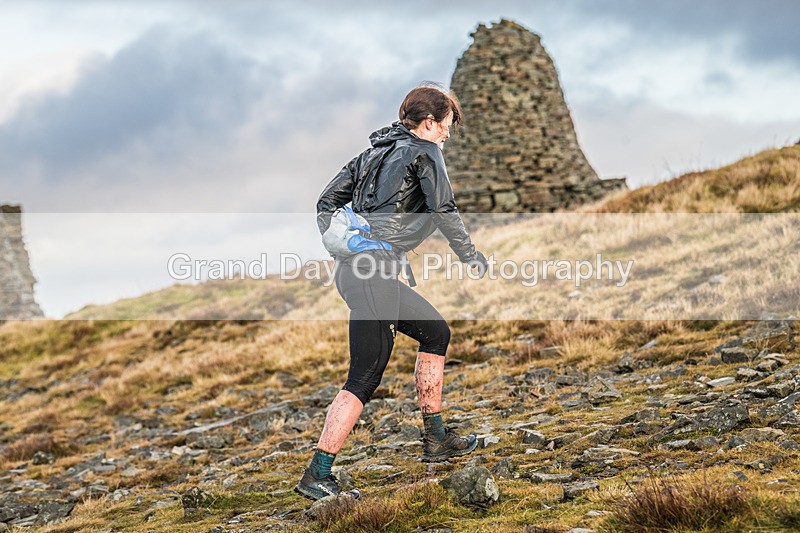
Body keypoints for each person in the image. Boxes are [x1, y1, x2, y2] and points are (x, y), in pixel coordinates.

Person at [294, 83, 489, 501]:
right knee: (364, 377)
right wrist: (469, 255)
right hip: (373, 277)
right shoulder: (425, 152)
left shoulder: (369, 155)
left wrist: (349, 242)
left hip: (357, 272)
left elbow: (325, 203)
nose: (448, 134)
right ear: (429, 122)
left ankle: (436, 439)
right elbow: (443, 209)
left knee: (436, 332)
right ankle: (317, 473)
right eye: (446, 125)